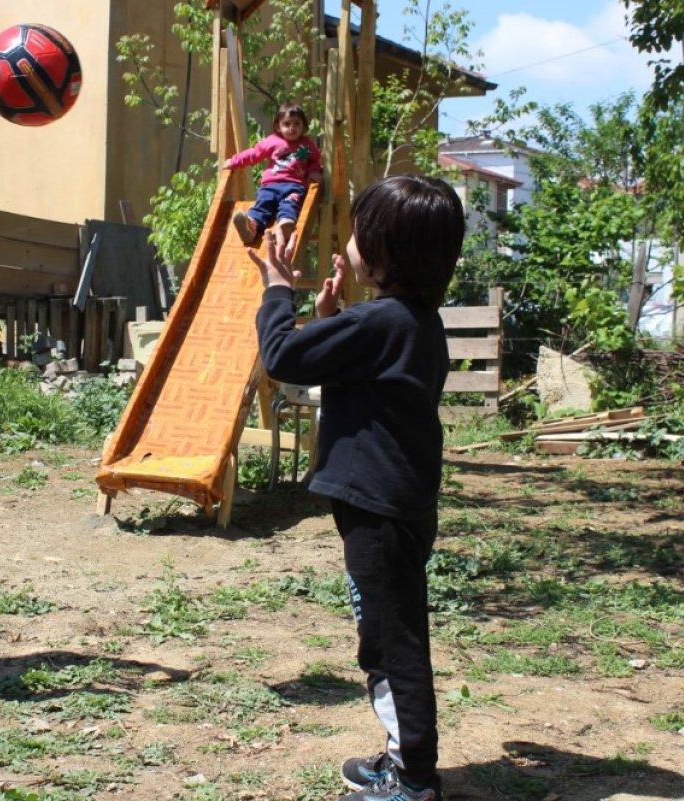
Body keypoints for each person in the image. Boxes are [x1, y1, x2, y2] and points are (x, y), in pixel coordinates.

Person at [248, 175, 465, 801]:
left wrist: (277, 292)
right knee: (388, 631)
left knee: (391, 643)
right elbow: (359, 375)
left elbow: (283, 356)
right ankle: (404, 758)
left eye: (359, 229)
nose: (348, 240)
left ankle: (413, 779)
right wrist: (329, 319)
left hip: (378, 510)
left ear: (384, 251)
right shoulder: (415, 323)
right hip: (397, 504)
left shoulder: (381, 323)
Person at [225, 102, 322, 249]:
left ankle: (285, 225)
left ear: (303, 126)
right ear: (278, 126)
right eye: (287, 124)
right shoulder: (272, 141)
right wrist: (234, 161)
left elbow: (315, 161)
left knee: (290, 204)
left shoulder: (307, 145)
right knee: (262, 206)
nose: (292, 128)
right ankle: (251, 227)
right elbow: (253, 154)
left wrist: (314, 171)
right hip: (270, 186)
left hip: (294, 186)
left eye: (297, 124)